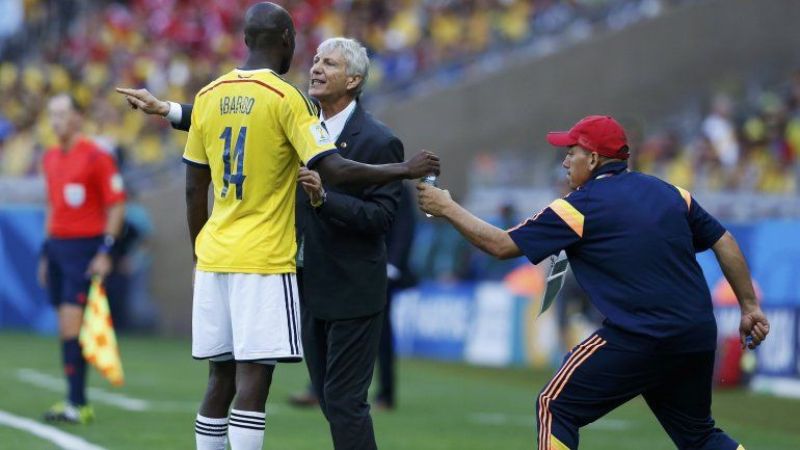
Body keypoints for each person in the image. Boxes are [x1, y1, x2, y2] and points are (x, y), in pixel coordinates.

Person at [117, 5, 438, 450]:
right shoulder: (290, 103)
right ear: (286, 39)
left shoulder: (212, 94)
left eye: (330, 62)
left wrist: (199, 250)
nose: (316, 66)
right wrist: (404, 169)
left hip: (231, 260)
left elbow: (196, 186)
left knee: (227, 381)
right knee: (252, 380)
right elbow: (333, 166)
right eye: (316, 57)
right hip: (266, 262)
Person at [417, 115, 768, 450]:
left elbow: (501, 244)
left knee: (554, 405)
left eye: (572, 153)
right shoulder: (672, 194)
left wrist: (447, 208)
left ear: (594, 158)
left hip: (641, 335)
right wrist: (749, 306)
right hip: (694, 332)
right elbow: (724, 241)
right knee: (700, 437)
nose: (565, 162)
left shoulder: (579, 207)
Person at [39, 94, 127, 424]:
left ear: (77, 117)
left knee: (72, 324)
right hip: (58, 248)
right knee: (66, 325)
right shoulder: (49, 157)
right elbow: (53, 206)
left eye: (62, 113)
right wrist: (46, 253)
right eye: (52, 114)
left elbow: (116, 204)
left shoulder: (96, 156)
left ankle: (78, 403)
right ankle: (75, 401)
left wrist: (105, 251)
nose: (55, 120)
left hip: (84, 249)